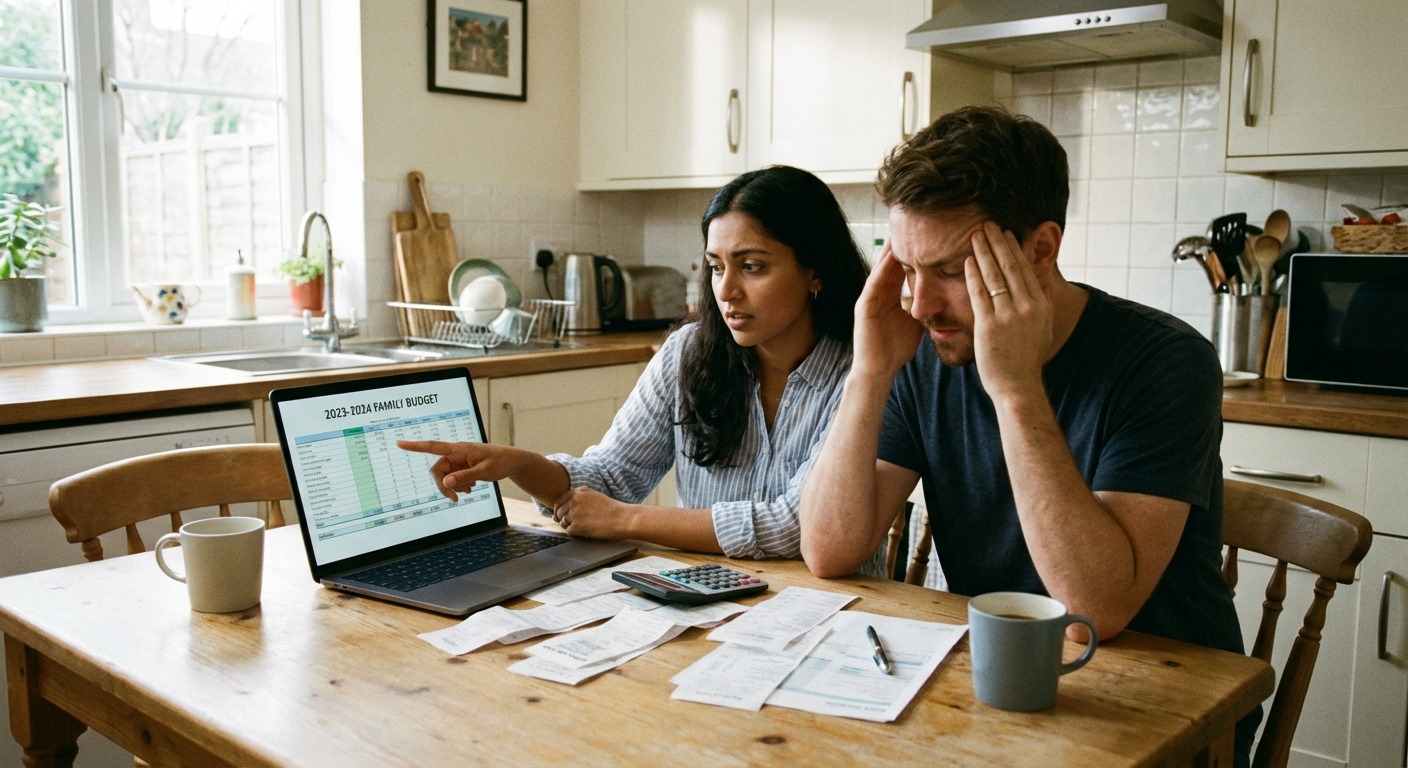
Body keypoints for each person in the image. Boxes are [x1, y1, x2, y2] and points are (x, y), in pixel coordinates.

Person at [797, 106, 1256, 762]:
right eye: (907, 267)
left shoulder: (1164, 360)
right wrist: (869, 372)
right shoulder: (927, 349)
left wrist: (1014, 390)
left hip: (1174, 719)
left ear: (1040, 249)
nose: (921, 304)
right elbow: (829, 550)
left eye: (952, 269)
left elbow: (1094, 610)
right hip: (1007, 696)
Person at [400, 165, 878, 569]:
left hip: (838, 610)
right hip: (713, 597)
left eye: (751, 266)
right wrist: (517, 464)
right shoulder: (688, 355)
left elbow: (793, 525)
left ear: (814, 269)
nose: (726, 290)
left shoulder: (863, 372)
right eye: (715, 267)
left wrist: (628, 520)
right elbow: (609, 479)